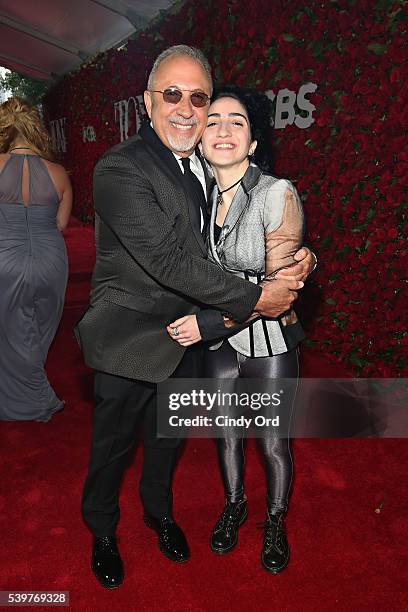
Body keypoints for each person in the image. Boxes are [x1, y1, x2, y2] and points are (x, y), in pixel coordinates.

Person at [75, 45, 315, 589]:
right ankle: (102, 531)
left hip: (191, 338)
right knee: (112, 447)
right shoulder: (119, 168)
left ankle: (159, 513)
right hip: (128, 340)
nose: (185, 107)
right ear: (148, 102)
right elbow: (167, 258)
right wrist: (258, 300)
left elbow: (244, 231)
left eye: (198, 96)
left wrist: (301, 258)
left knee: (168, 439)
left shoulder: (207, 166)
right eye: (172, 94)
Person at [167, 86, 305, 573]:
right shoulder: (195, 193)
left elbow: (275, 293)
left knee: (271, 441)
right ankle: (234, 505)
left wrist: (208, 322)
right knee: (225, 435)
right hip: (220, 345)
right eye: (215, 120)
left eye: (238, 121)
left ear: (252, 143)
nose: (223, 128)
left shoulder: (276, 193)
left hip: (266, 341)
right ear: (201, 140)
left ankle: (275, 519)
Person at [0, 96, 72, 422]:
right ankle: (29, 390)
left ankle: (23, 399)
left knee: (12, 330)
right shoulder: (58, 173)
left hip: (6, 258)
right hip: (51, 260)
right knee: (40, 328)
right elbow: (61, 224)